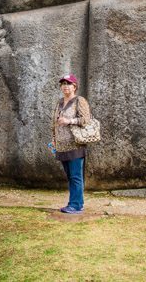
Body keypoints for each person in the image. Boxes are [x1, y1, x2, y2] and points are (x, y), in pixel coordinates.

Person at [51, 73, 92, 214]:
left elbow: (86, 119)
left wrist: (70, 121)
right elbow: (54, 122)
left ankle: (75, 205)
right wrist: (54, 138)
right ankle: (76, 203)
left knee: (75, 176)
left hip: (75, 144)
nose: (65, 86)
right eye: (63, 84)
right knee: (70, 177)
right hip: (61, 145)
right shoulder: (59, 102)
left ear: (74, 86)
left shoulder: (79, 101)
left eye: (68, 84)